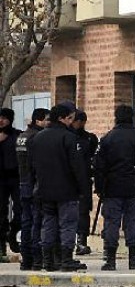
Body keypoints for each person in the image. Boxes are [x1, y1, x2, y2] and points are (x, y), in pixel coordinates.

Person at [28, 104, 87, 272]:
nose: (71, 121)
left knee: (48, 224)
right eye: (70, 118)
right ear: (63, 118)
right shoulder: (69, 138)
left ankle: (48, 260)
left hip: (44, 189)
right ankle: (66, 259)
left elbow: (31, 166)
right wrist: (83, 189)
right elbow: (77, 167)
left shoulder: (38, 138)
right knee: (68, 224)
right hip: (66, 190)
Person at [94, 105, 135, 271]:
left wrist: (99, 188)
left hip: (112, 187)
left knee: (111, 223)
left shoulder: (107, 138)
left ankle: (110, 259)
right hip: (134, 186)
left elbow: (99, 166)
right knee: (133, 222)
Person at [15, 108, 50, 270]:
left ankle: (26, 258)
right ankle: (35, 258)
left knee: (26, 221)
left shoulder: (22, 136)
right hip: (33, 184)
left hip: (23, 183)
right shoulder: (37, 137)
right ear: (38, 120)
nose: (49, 123)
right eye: (47, 119)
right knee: (36, 222)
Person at [71, 110, 98, 256]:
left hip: (84, 180)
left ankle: (81, 241)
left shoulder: (89, 138)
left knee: (83, 212)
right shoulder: (67, 137)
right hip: (69, 180)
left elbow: (93, 158)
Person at [0, 107, 22, 257]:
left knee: (21, 210)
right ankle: (1, 244)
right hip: (0, 179)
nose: (1, 121)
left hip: (16, 178)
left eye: (4, 118)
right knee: (1, 211)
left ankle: (13, 232)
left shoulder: (17, 135)